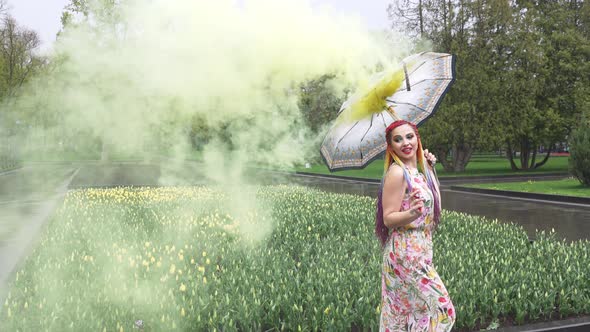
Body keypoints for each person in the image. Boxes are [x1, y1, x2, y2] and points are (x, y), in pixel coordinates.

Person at [375, 120, 455, 332]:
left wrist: (429, 169)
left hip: (420, 250)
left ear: (418, 139)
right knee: (443, 311)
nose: (405, 143)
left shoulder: (416, 173)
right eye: (398, 139)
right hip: (405, 253)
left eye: (410, 136)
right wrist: (411, 213)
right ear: (391, 147)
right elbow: (388, 218)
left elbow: (435, 206)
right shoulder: (397, 172)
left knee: (410, 315)